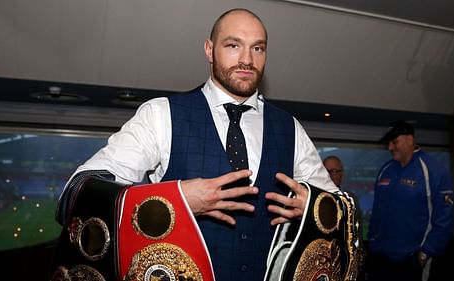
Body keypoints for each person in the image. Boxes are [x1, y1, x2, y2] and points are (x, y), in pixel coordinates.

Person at [55, 8, 338, 281]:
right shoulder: (161, 114)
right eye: (233, 45)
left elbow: (337, 205)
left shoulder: (290, 127)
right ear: (209, 50)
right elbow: (79, 190)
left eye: (258, 48)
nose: (247, 60)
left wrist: (312, 208)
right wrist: (174, 201)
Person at [366, 120, 454, 281]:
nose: (390, 147)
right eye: (389, 143)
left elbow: (445, 218)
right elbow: (377, 210)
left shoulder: (433, 170)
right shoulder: (386, 169)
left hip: (412, 260)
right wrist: (372, 242)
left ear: (410, 140)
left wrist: (426, 252)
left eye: (394, 142)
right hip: (380, 257)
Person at [323, 155, 365, 279]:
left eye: (335, 171)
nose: (331, 175)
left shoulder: (351, 199)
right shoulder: (311, 198)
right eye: (327, 171)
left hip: (345, 262)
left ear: (341, 174)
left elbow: (357, 231)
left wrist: (358, 256)